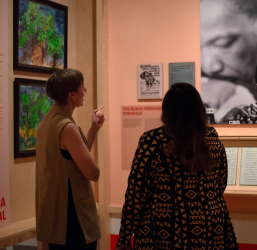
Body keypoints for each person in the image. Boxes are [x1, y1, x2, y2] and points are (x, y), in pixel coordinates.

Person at [116, 83, 239, 250]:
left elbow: (136, 192)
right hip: (210, 228)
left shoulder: (152, 141)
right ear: (198, 109)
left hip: (164, 228)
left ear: (167, 111)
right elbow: (220, 183)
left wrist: (124, 237)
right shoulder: (211, 139)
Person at [36, 69, 104, 250]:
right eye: (83, 87)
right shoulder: (67, 127)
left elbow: (74, 159)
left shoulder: (47, 121)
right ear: (72, 94)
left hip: (55, 218)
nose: (86, 91)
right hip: (73, 221)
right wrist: (97, 168)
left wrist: (93, 129)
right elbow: (92, 172)